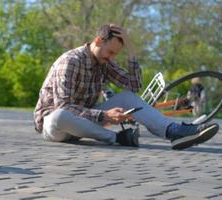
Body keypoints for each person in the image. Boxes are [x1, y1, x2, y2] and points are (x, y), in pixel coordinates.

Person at [33, 24, 219, 150]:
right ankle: (118, 138)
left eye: (116, 53)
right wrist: (105, 115)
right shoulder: (70, 61)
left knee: (128, 97)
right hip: (56, 127)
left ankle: (174, 132)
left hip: (85, 121)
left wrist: (131, 50)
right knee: (58, 116)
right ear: (98, 41)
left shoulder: (104, 62)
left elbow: (135, 85)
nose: (112, 57)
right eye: (110, 52)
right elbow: (63, 106)